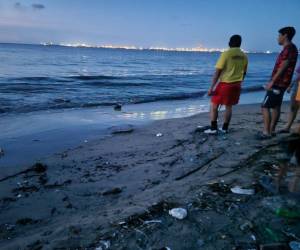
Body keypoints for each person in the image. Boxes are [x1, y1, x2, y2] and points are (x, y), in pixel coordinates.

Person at [205, 34, 248, 134]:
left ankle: (213, 128)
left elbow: (217, 72)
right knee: (229, 106)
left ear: (230, 42)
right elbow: (244, 72)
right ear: (240, 43)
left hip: (225, 84)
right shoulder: (244, 56)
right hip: (237, 84)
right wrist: (239, 82)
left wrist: (211, 88)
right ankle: (225, 128)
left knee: (214, 105)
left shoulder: (226, 54)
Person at [261, 27, 298, 138]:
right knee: (276, 106)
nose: (278, 38)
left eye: (279, 35)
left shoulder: (289, 48)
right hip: (283, 83)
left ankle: (266, 132)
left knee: (264, 106)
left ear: (285, 35)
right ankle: (271, 131)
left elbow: (283, 66)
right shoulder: (292, 48)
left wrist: (272, 81)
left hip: (278, 83)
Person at [279, 65, 300, 133]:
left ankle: (288, 127)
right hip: (297, 85)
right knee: (293, 107)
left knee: (293, 107)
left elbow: (297, 76)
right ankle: (288, 126)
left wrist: (290, 86)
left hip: (297, 85)